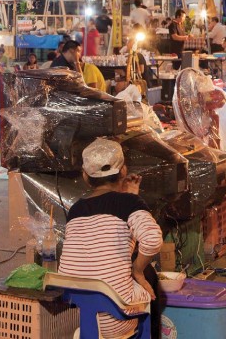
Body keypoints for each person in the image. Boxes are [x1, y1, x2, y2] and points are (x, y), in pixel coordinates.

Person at [59, 138, 163, 339]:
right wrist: (138, 271)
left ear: (85, 176)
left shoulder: (75, 210)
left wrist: (130, 197)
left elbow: (101, 239)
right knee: (148, 273)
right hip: (116, 319)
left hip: (78, 316)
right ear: (123, 171)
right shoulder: (129, 203)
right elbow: (151, 239)